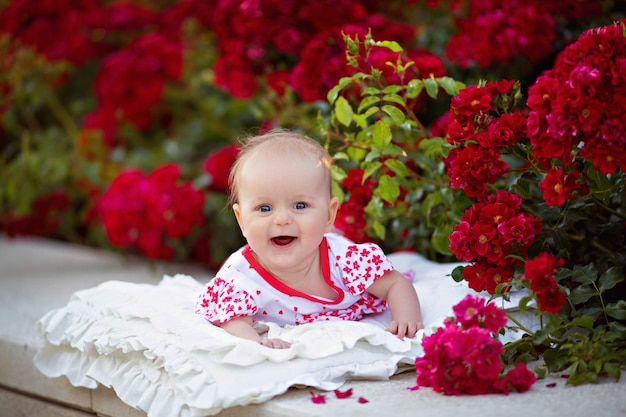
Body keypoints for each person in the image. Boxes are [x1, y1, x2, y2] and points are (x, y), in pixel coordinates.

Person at [196, 129, 423, 349]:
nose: (282, 219)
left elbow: (395, 284)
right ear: (242, 220)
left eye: (300, 205)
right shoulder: (240, 276)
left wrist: (407, 319)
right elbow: (234, 320)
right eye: (264, 208)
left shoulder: (345, 260)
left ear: (329, 214)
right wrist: (256, 342)